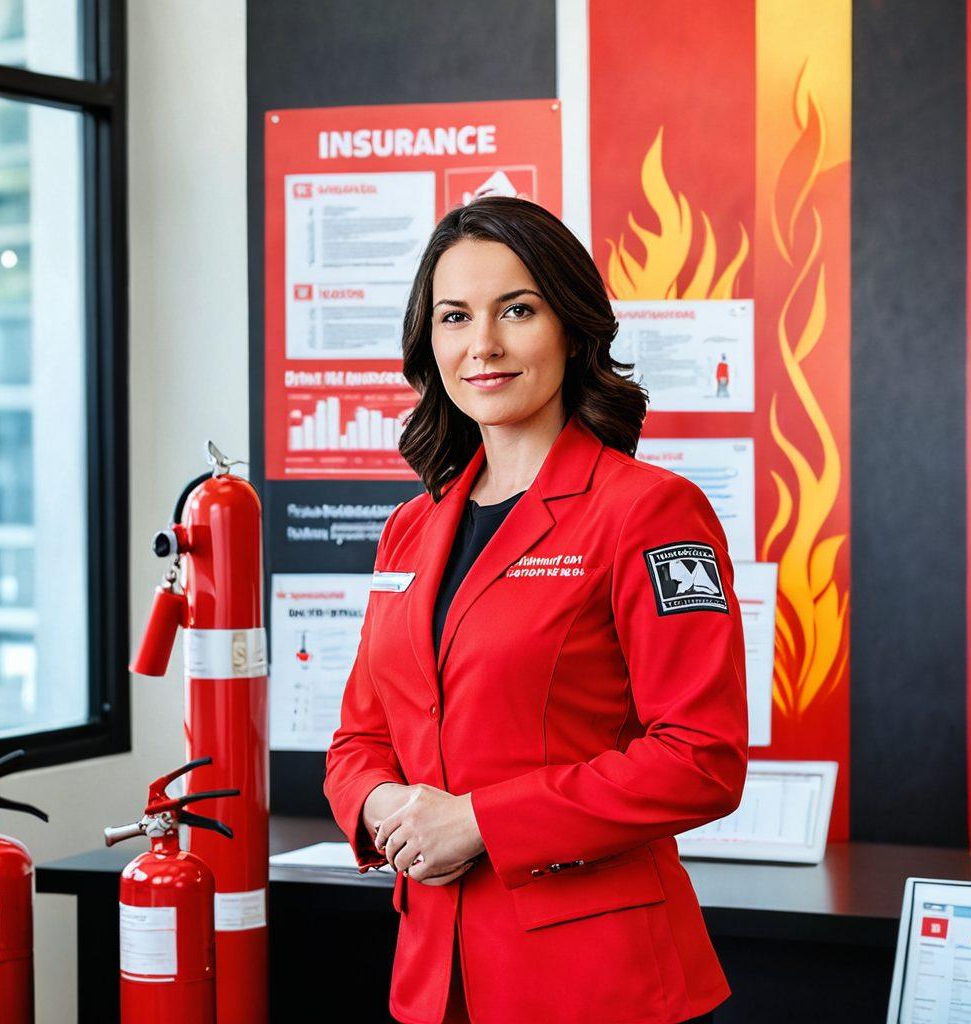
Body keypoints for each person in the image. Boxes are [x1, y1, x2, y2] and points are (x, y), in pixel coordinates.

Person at [324, 195, 748, 1024]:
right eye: (455, 317)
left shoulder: (649, 512)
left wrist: (481, 821)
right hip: (433, 975)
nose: (482, 345)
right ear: (429, 341)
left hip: (597, 983)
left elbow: (701, 757)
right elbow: (360, 739)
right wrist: (384, 812)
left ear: (571, 327)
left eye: (517, 310)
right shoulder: (411, 529)